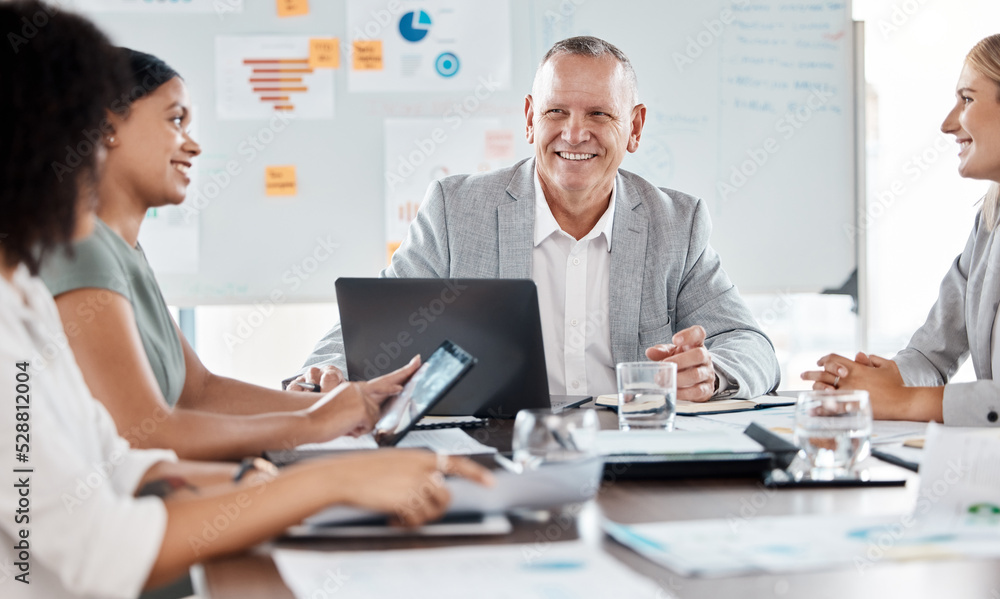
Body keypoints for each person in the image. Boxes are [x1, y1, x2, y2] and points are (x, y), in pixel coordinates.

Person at [0, 4, 492, 597]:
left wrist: (287, 454)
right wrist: (325, 479)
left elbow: (121, 455)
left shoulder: (22, 295)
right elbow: (103, 545)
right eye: (83, 129)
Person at [292, 36, 780, 401]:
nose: (574, 133)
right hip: (497, 449)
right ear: (529, 119)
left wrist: (712, 373)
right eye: (555, 112)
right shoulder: (454, 210)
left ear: (634, 127)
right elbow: (371, 331)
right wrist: (325, 374)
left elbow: (752, 346)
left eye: (599, 116)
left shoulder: (677, 223)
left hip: (635, 452)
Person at [38, 48, 406, 460]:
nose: (193, 146)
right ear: (108, 126)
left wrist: (353, 405)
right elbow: (146, 434)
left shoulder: (124, 251)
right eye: (175, 120)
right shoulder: (81, 250)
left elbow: (199, 392)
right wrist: (315, 424)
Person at [802, 34, 1000, 426]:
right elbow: (932, 353)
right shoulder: (989, 220)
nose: (948, 124)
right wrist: (881, 381)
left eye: (967, 99)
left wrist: (903, 402)